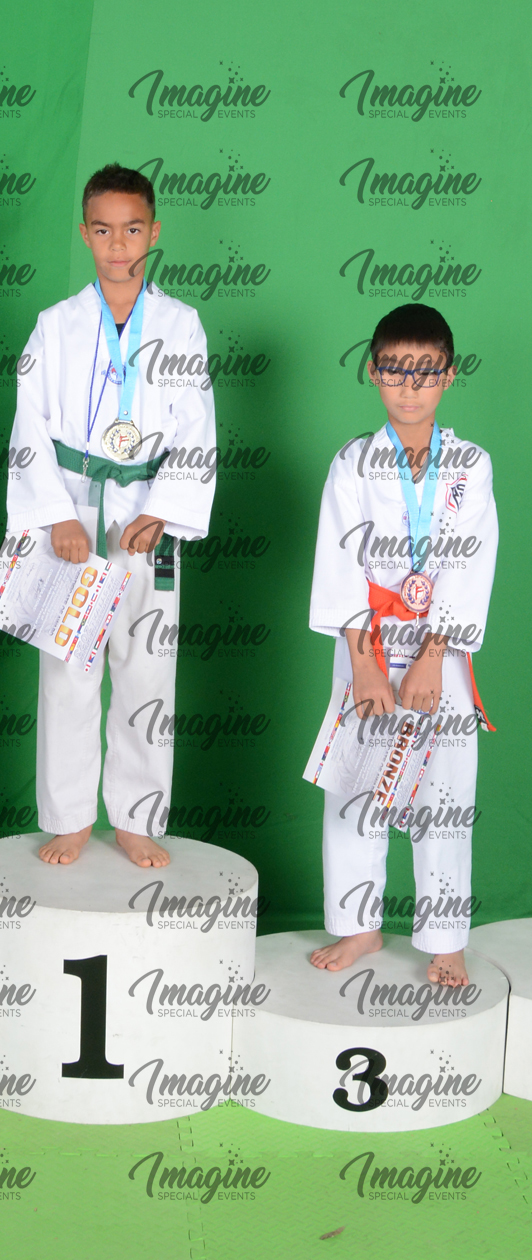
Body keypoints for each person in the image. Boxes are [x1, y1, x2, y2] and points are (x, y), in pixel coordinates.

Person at [6, 163, 216, 868]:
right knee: (67, 672)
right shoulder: (56, 325)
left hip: (146, 514)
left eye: (131, 230)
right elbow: (28, 425)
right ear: (85, 234)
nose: (117, 244)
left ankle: (135, 817)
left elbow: (197, 426)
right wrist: (55, 514)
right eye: (103, 230)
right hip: (72, 512)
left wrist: (165, 510)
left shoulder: (181, 325)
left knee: (147, 672)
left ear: (153, 233)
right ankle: (69, 817)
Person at [308, 303, 497, 985]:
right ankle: (358, 926)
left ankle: (445, 937)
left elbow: (471, 560)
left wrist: (431, 658)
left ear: (449, 375)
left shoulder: (471, 465)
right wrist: (365, 668)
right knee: (357, 785)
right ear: (372, 372)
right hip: (367, 640)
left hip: (439, 650)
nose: (409, 387)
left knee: (444, 792)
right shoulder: (353, 463)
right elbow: (340, 564)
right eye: (394, 370)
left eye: (425, 372)